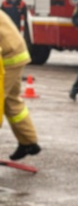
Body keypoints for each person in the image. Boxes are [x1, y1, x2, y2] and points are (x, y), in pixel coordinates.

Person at [0, 10, 40, 160]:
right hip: (14, 53)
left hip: (7, 57)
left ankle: (28, 142)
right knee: (11, 101)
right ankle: (28, 142)